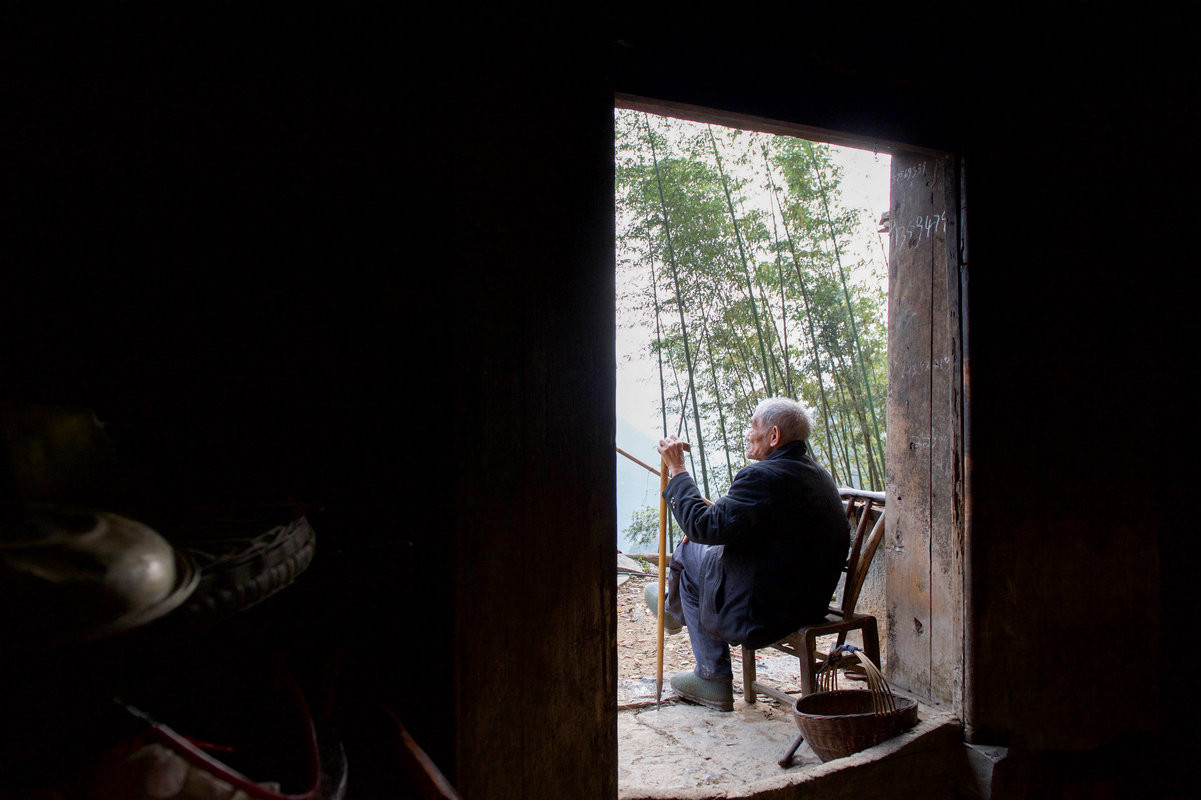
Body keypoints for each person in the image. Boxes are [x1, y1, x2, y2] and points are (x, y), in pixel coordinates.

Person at [648, 397, 849, 711]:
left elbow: (702, 525)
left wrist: (677, 469)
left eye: (753, 426)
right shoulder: (817, 475)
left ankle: (709, 670)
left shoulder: (761, 478)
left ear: (773, 436)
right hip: (807, 602)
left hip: (766, 612)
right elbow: (758, 526)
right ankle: (673, 611)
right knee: (700, 546)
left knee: (688, 549)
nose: (746, 433)